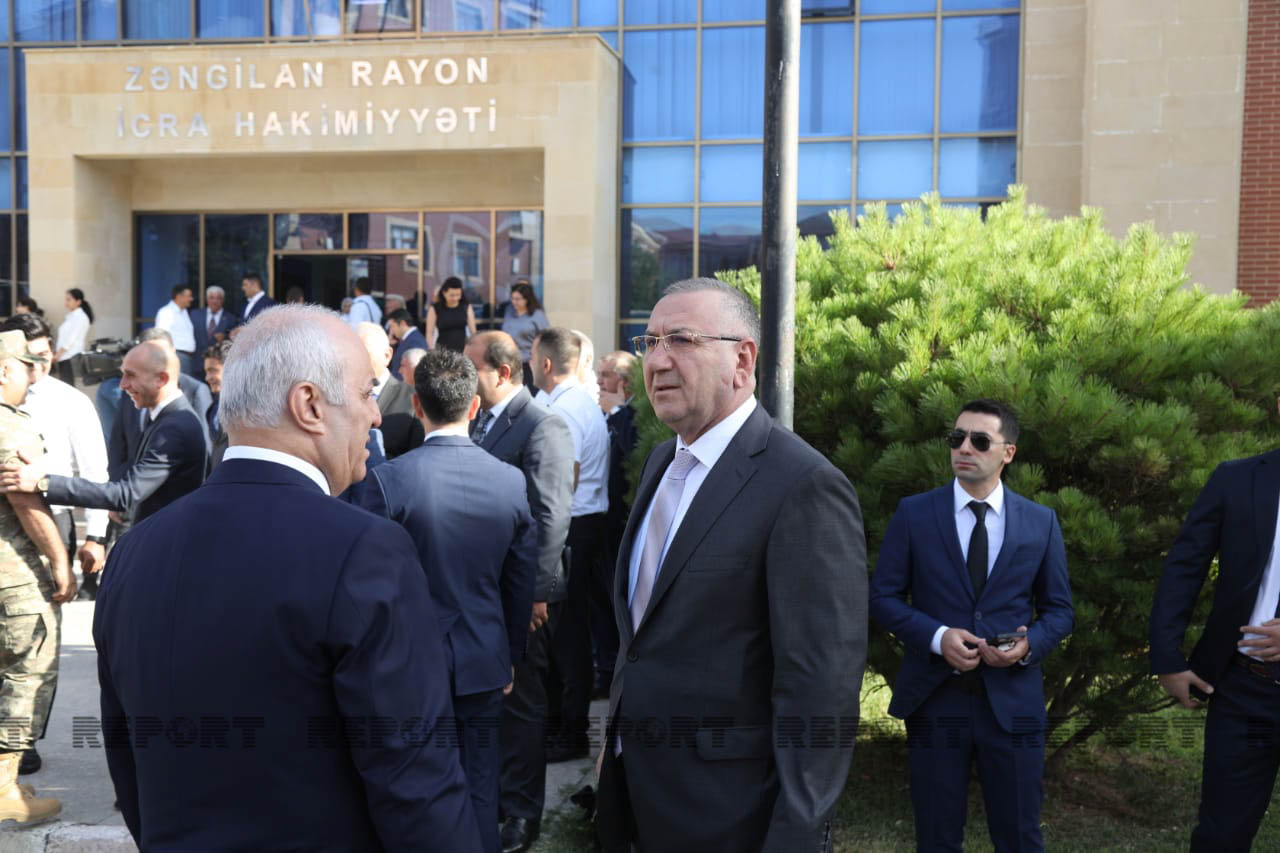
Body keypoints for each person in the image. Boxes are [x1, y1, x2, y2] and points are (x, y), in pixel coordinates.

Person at [93, 304, 481, 850]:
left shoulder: (134, 552)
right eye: (366, 393)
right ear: (309, 405)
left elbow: (129, 764)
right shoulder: (364, 550)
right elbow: (417, 783)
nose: (376, 416)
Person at [595, 278, 868, 853]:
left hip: (732, 814)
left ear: (742, 360)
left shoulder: (803, 486)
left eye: (681, 340)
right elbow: (642, 636)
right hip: (639, 794)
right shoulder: (661, 463)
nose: (657, 361)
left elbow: (820, 690)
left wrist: (795, 837)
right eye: (650, 342)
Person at [869, 399, 1074, 852]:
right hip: (936, 699)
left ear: (1008, 453)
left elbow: (1060, 611)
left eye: (980, 441)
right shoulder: (914, 514)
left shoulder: (1040, 522)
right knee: (936, 836)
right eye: (956, 437)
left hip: (1014, 702)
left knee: (1020, 836)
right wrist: (937, 637)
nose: (964, 448)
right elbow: (882, 598)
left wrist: (1028, 646)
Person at [361, 348, 537, 853]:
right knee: (480, 787)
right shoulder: (509, 480)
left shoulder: (389, 480)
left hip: (409, 665)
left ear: (416, 404)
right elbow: (519, 581)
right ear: (475, 406)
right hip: (482, 658)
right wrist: (510, 656)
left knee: (416, 788)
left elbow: (371, 585)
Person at [1149, 411, 1280, 850]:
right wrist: (1167, 658)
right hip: (1244, 689)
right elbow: (1184, 568)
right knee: (1220, 836)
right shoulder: (1235, 478)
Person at [464, 331, 574, 853]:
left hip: (524, 593)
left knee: (524, 707)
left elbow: (550, 516)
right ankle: (497, 800)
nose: (465, 376)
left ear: (502, 372)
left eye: (472, 367)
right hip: (487, 586)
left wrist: (535, 596)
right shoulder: (479, 421)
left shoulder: (542, 425)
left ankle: (523, 813)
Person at [1, 342, 207, 525]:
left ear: (161, 379)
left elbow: (126, 494)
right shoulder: (165, 419)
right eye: (122, 374)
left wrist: (43, 482)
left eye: (131, 375)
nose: (123, 385)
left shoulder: (176, 427)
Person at [0, 329, 75, 824]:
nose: (33, 379)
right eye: (27, 369)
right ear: (4, 370)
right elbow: (25, 500)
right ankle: (4, 790)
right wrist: (60, 562)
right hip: (14, 577)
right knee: (25, 673)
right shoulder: (9, 425)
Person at [530, 328, 610, 762]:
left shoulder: (563, 409)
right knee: (569, 633)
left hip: (571, 527)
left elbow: (567, 477)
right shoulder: (577, 403)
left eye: (531, 357)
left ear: (545, 363)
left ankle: (570, 731)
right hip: (582, 524)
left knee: (566, 636)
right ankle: (565, 727)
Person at [3, 311, 109, 611]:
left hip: (54, 519)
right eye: (29, 357)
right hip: (4, 520)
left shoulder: (71, 401)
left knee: (42, 618)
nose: (38, 364)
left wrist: (96, 536)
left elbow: (94, 472)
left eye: (44, 355)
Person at [108, 329, 213, 472]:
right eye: (149, 354)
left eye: (159, 353)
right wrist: (116, 480)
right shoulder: (131, 391)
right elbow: (118, 445)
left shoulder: (196, 391)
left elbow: (205, 451)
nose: (124, 384)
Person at [596, 350, 637, 695]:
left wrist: (619, 412)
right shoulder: (603, 410)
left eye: (606, 374)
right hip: (602, 520)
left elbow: (632, 453)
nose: (599, 381)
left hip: (623, 521)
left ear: (624, 382)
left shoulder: (634, 415)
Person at [356, 322, 423, 459]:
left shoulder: (413, 399)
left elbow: (417, 457)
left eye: (365, 354)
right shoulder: (339, 396)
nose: (355, 361)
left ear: (387, 355)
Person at [501, 282, 548, 389]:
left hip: (528, 363)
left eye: (518, 299)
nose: (514, 302)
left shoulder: (537, 315)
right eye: (512, 298)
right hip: (510, 362)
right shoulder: (509, 312)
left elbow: (545, 338)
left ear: (527, 299)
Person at [153, 284, 198, 377]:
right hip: (176, 355)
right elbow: (161, 335)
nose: (191, 299)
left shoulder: (184, 312)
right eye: (189, 296)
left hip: (186, 357)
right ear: (179, 296)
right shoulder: (167, 312)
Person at [53, 289, 93, 384]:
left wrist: (57, 355)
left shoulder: (80, 317)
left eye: (69, 300)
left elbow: (70, 340)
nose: (66, 303)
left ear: (78, 301)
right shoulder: (71, 316)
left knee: (68, 386)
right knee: (66, 384)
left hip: (70, 357)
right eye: (66, 299)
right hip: (65, 357)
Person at [428, 277, 477, 353]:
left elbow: (473, 332)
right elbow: (429, 333)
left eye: (458, 295)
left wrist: (475, 347)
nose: (455, 298)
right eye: (452, 295)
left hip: (463, 349)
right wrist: (430, 350)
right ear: (444, 293)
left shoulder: (466, 307)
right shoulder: (435, 308)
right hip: (442, 350)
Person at [203, 340, 231, 469]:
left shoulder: (248, 411)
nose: (207, 378)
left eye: (213, 370)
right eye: (206, 372)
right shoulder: (212, 409)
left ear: (231, 368)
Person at [190, 285, 235, 360]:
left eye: (218, 298)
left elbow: (234, 341)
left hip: (219, 361)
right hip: (197, 360)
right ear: (206, 299)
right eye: (211, 298)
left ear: (223, 300)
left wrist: (225, 338)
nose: (214, 301)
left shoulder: (231, 318)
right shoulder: (195, 315)